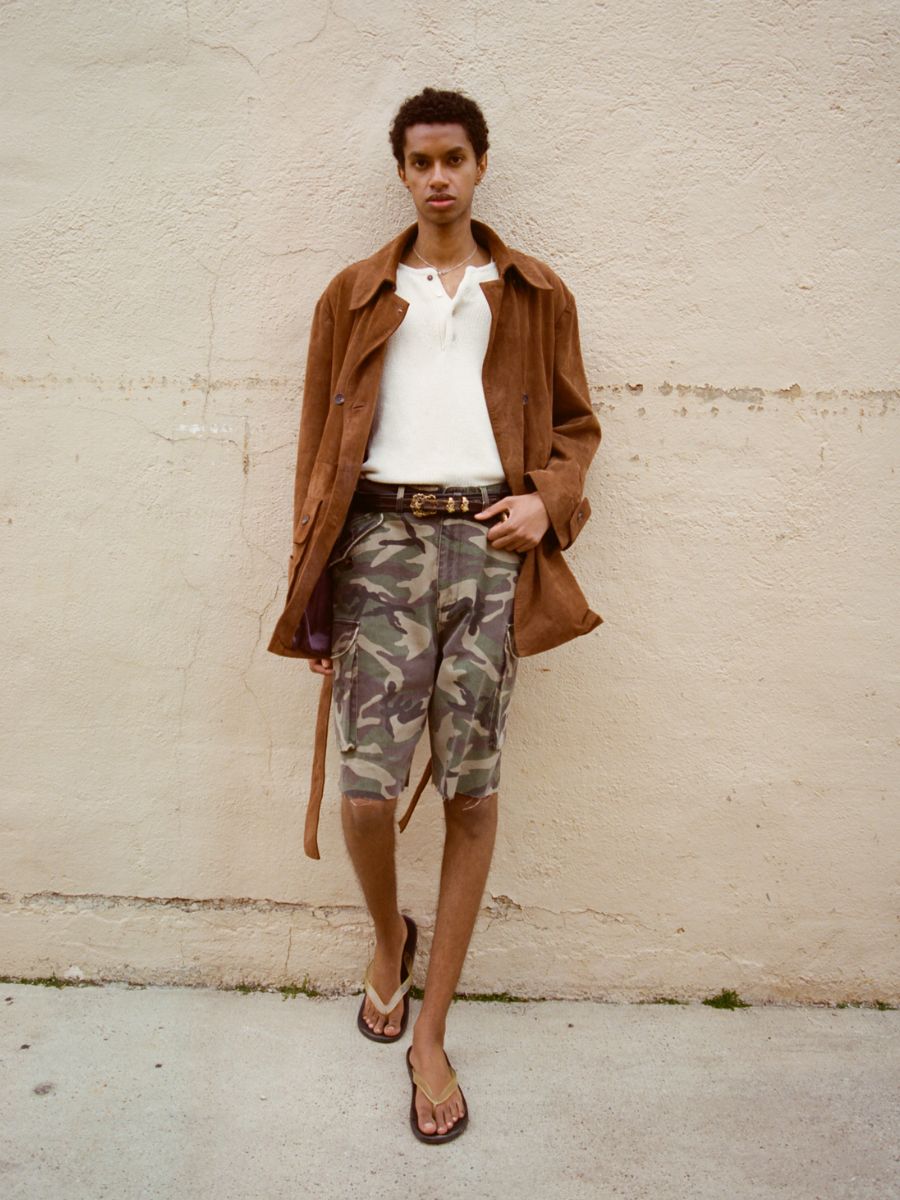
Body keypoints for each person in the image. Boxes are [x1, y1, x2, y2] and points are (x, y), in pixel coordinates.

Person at [267, 86, 602, 1143]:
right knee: (365, 797)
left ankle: (432, 1033)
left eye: (455, 157)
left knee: (471, 788)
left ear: (481, 164)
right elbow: (318, 455)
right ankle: (385, 942)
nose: (440, 175)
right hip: (377, 546)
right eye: (421, 161)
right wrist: (314, 594)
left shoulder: (534, 291)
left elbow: (579, 425)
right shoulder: (355, 295)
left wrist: (550, 501)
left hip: (490, 553)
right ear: (402, 173)